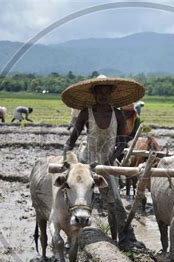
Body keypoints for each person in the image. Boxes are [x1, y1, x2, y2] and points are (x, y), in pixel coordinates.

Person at [62, 75, 145, 250]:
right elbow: (73, 137)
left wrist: (110, 157)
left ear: (111, 94)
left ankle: (124, 237)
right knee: (77, 197)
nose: (103, 95)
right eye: (100, 92)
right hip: (86, 160)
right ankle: (71, 233)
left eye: (107, 92)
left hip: (107, 160)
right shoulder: (87, 112)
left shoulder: (117, 114)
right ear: (94, 93)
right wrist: (66, 153)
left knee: (114, 201)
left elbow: (122, 142)